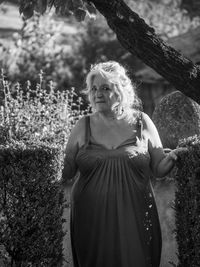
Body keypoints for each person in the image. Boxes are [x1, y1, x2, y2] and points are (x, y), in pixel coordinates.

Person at [61, 61, 185, 267]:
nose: (97, 93)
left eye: (105, 88)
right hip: (90, 215)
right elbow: (67, 170)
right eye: (93, 89)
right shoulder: (83, 125)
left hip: (135, 213)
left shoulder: (141, 122)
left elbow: (158, 169)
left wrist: (172, 157)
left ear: (120, 91)